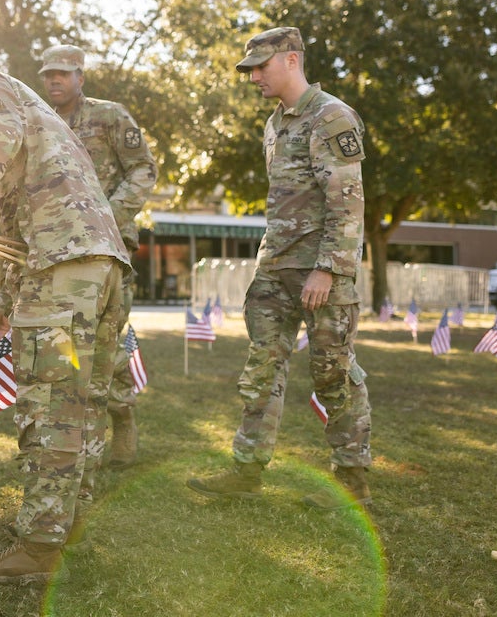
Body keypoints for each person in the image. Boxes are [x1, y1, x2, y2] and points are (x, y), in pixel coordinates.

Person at [0, 53, 129, 582]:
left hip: (63, 271)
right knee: (82, 403)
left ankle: (38, 548)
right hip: (100, 266)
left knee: (53, 406)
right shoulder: (40, 114)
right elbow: (18, 237)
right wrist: (4, 306)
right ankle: (69, 520)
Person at [185, 27, 372, 511]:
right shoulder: (275, 124)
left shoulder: (330, 117)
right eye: (249, 70)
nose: (253, 78)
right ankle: (246, 471)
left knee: (332, 372)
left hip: (319, 272)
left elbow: (347, 204)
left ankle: (352, 481)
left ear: (291, 60)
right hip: (276, 268)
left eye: (261, 67)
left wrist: (328, 269)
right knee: (262, 368)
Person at [39, 44, 157, 468]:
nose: (55, 80)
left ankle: (122, 416)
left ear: (80, 78)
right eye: (49, 74)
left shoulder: (110, 116)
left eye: (63, 73)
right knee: (66, 346)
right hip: (59, 252)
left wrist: (108, 214)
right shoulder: (40, 123)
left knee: (105, 345)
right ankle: (76, 440)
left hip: (109, 251)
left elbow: (144, 168)